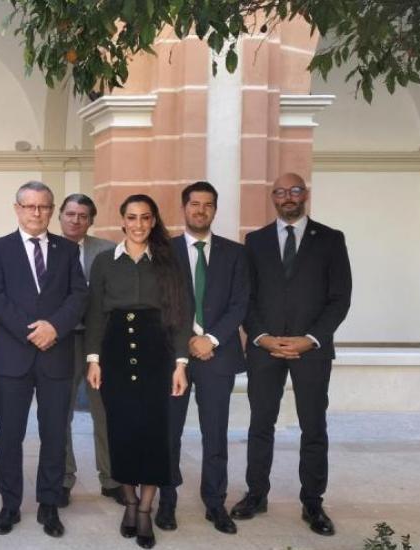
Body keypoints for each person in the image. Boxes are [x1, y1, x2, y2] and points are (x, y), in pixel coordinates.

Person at [230, 173, 351, 537]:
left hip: (311, 350)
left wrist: (310, 338)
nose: (288, 197)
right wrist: (262, 337)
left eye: (295, 190)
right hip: (265, 349)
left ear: (305, 195)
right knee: (260, 424)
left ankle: (313, 502)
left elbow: (339, 298)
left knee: (313, 426)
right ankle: (256, 494)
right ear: (273, 198)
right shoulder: (255, 241)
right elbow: (245, 297)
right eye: (281, 192)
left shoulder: (331, 239)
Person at [85, 194, 190, 549]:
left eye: (146, 218)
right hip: (114, 353)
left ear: (153, 220)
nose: (139, 224)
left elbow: (180, 314)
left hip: (156, 354)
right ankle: (129, 502)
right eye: (132, 218)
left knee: (153, 433)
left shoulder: (168, 261)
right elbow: (96, 313)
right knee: (121, 430)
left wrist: (180, 364)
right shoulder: (104, 262)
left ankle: (146, 510)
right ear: (122, 221)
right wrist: (93, 359)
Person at [0, 181, 88, 538]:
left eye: (43, 207)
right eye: (29, 206)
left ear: (51, 209)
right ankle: (9, 505)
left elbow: (79, 296)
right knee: (9, 435)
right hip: (13, 357)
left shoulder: (67, 249)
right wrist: (33, 331)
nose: (36, 213)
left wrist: (54, 328)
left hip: (56, 356)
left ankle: (49, 504)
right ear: (17, 209)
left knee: (54, 434)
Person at [157, 182, 248, 534]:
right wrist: (187, 342)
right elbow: (161, 302)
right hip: (173, 357)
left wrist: (210, 338)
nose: (200, 210)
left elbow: (240, 302)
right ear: (184, 208)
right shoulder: (164, 251)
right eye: (194, 204)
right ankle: (167, 501)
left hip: (217, 355)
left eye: (207, 205)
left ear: (214, 210)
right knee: (169, 433)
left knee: (215, 433)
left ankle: (215, 503)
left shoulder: (235, 253)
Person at [56, 193, 122, 508]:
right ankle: (64, 478)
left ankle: (111, 480)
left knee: (106, 412)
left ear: (91, 220)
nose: (76, 220)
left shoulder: (108, 251)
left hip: (100, 341)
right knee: (61, 413)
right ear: (60, 217)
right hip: (63, 341)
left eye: (83, 215)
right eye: (70, 214)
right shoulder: (48, 249)